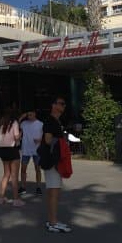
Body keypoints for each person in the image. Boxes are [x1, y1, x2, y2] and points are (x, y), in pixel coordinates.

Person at [42, 96, 71, 233]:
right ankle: (53, 222)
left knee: (54, 191)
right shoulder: (50, 120)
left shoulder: (57, 121)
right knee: (54, 191)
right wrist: (61, 143)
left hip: (55, 160)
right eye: (61, 103)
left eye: (64, 104)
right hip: (52, 161)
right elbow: (48, 140)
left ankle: (52, 220)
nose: (63, 106)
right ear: (53, 105)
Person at [0, 109, 25, 207]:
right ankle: (16, 199)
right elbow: (16, 137)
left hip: (3, 150)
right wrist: (21, 135)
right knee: (14, 176)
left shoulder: (2, 124)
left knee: (6, 174)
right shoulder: (14, 123)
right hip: (12, 149)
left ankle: (1, 197)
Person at [18, 109, 43, 195]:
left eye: (31, 114)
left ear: (35, 114)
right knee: (23, 169)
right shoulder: (24, 123)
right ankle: (23, 187)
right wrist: (22, 117)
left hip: (37, 149)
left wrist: (40, 140)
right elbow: (16, 125)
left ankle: (38, 187)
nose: (29, 116)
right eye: (28, 115)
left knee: (37, 169)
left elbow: (45, 136)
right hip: (26, 149)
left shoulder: (40, 124)